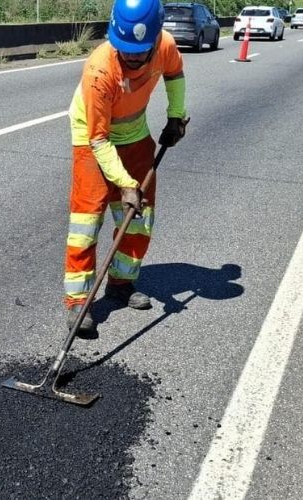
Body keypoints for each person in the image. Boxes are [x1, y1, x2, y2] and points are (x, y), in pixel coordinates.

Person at [64, 0, 188, 336]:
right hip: (92, 138)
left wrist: (176, 116)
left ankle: (121, 283)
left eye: (139, 51)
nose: (131, 57)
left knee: (139, 218)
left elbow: (175, 74)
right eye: (125, 50)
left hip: (134, 134)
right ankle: (78, 301)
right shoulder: (99, 70)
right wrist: (126, 184)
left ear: (155, 39)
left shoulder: (164, 45)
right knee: (86, 222)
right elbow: (99, 139)